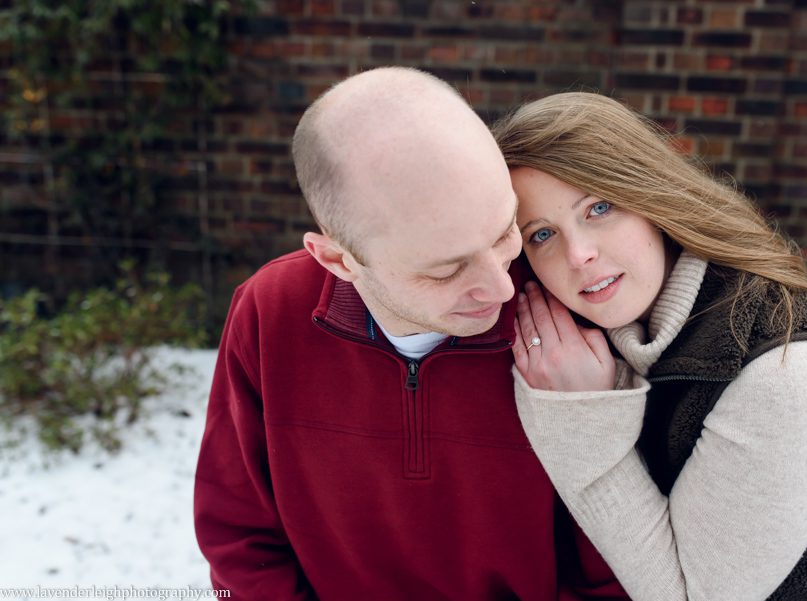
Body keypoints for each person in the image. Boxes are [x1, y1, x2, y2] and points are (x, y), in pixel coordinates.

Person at [194, 68, 628, 600]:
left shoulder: (569, 304)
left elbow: (615, 560)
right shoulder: (270, 313)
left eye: (505, 231)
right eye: (446, 270)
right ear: (338, 260)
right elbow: (240, 535)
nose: (500, 286)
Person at [491, 92, 807, 601]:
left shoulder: (790, 370)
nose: (579, 255)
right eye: (543, 234)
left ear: (652, 199)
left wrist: (579, 416)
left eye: (599, 207)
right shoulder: (585, 340)